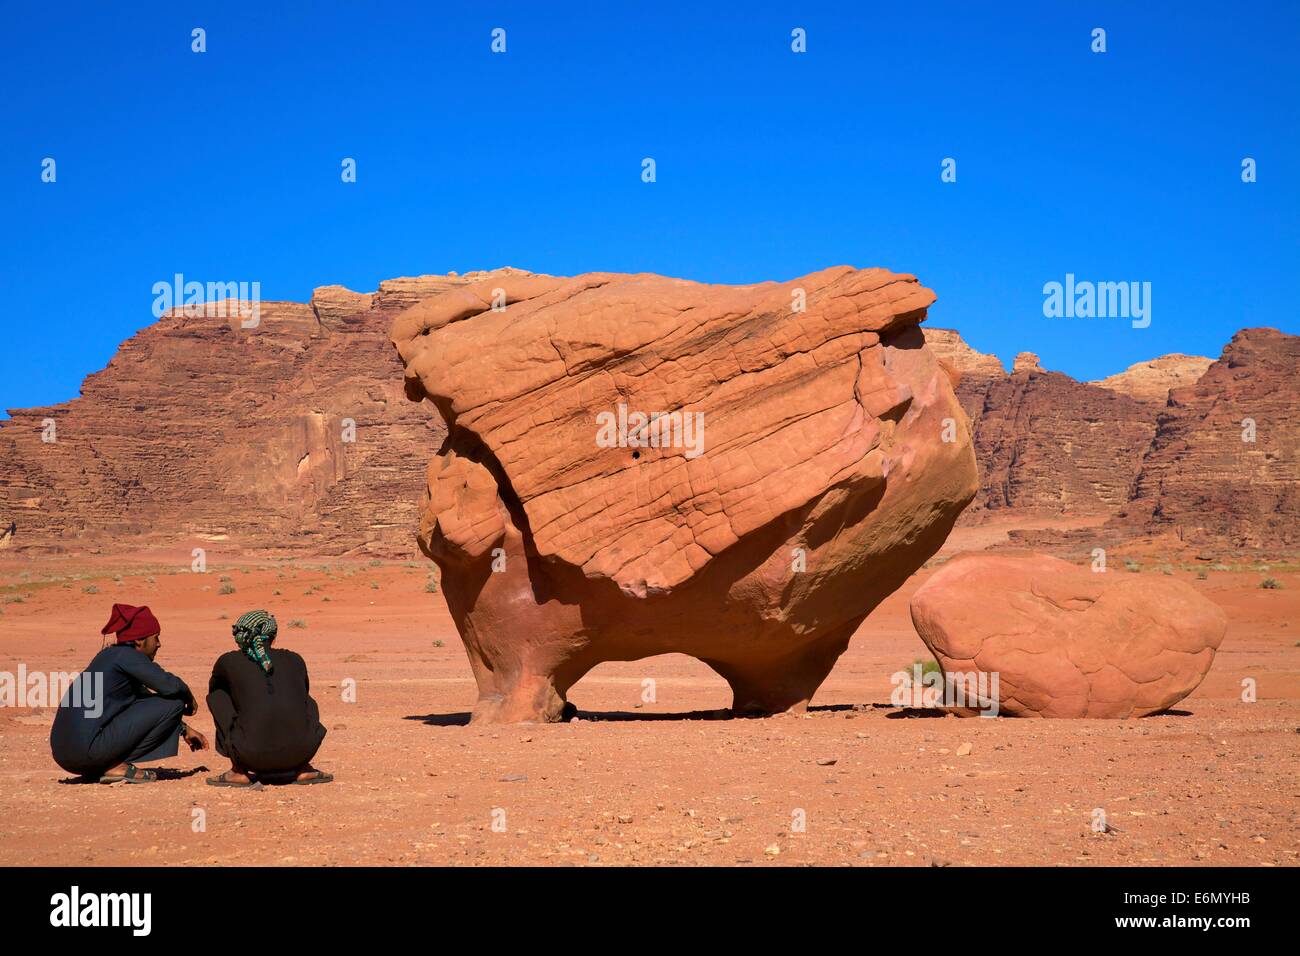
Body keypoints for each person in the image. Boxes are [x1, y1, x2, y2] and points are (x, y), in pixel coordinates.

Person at [50, 603, 208, 783]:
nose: (159, 644)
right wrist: (188, 697)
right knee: (175, 702)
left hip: (64, 754)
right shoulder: (127, 656)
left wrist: (183, 728)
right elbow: (170, 686)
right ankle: (115, 766)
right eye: (155, 638)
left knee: (166, 704)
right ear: (140, 640)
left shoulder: (109, 658)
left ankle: (102, 766)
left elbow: (143, 702)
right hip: (86, 750)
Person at [206, 610, 330, 787]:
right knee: (303, 699)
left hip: (251, 755)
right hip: (300, 751)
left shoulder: (227, 662)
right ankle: (304, 768)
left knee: (218, 697)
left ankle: (238, 771)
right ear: (273, 635)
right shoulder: (295, 659)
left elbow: (215, 689)